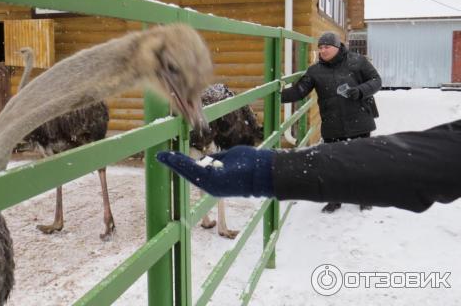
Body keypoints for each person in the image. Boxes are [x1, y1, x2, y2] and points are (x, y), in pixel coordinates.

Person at [156, 119, 461, 213]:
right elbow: (426, 157)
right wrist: (270, 167)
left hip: (355, 125)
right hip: (340, 144)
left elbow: (427, 160)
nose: (323, 50)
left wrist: (264, 171)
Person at [281, 31, 382, 213]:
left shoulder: (357, 61)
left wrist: (359, 91)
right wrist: (277, 95)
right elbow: (300, 91)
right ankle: (335, 199)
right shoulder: (315, 71)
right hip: (333, 124)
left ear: (337, 47)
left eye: (326, 47)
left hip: (359, 120)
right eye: (320, 48)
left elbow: (376, 80)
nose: (323, 51)